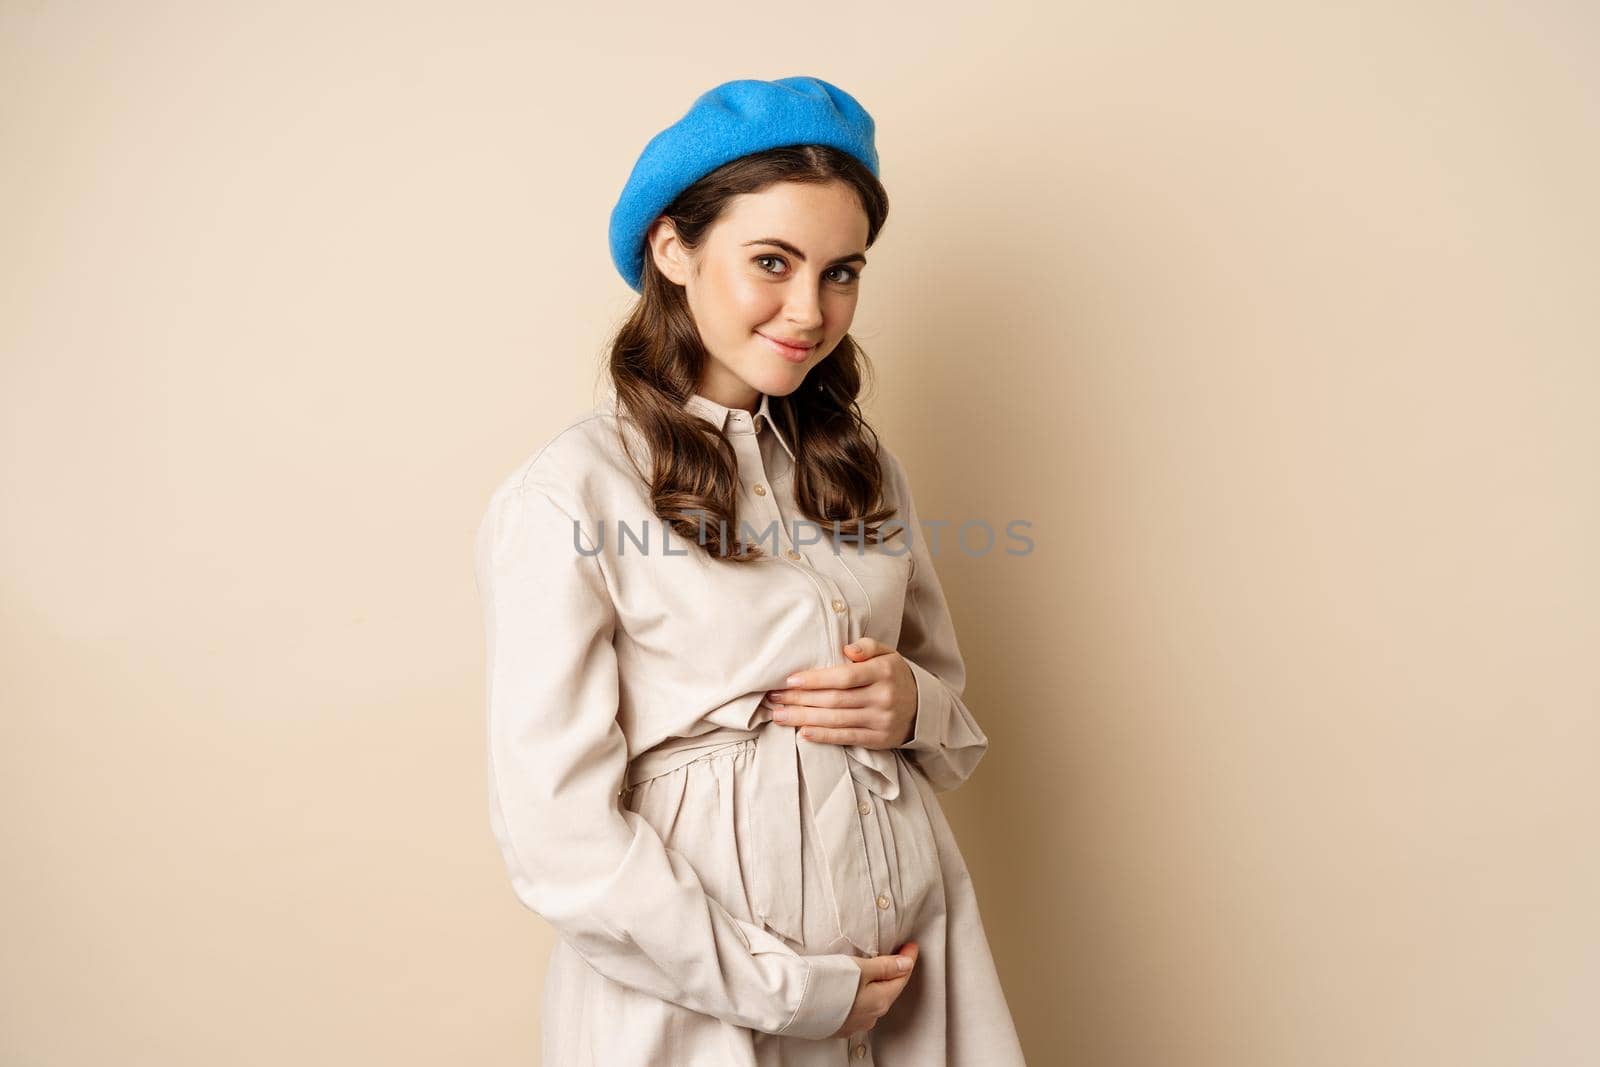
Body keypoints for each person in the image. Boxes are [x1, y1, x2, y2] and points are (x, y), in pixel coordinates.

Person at [474, 76, 1027, 1065]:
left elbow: (950, 722)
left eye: (842, 271)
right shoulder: (571, 492)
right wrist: (792, 989)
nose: (810, 310)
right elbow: (556, 833)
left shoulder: (862, 466)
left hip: (913, 976)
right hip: (706, 1010)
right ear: (673, 248)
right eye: (770, 261)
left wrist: (912, 706)